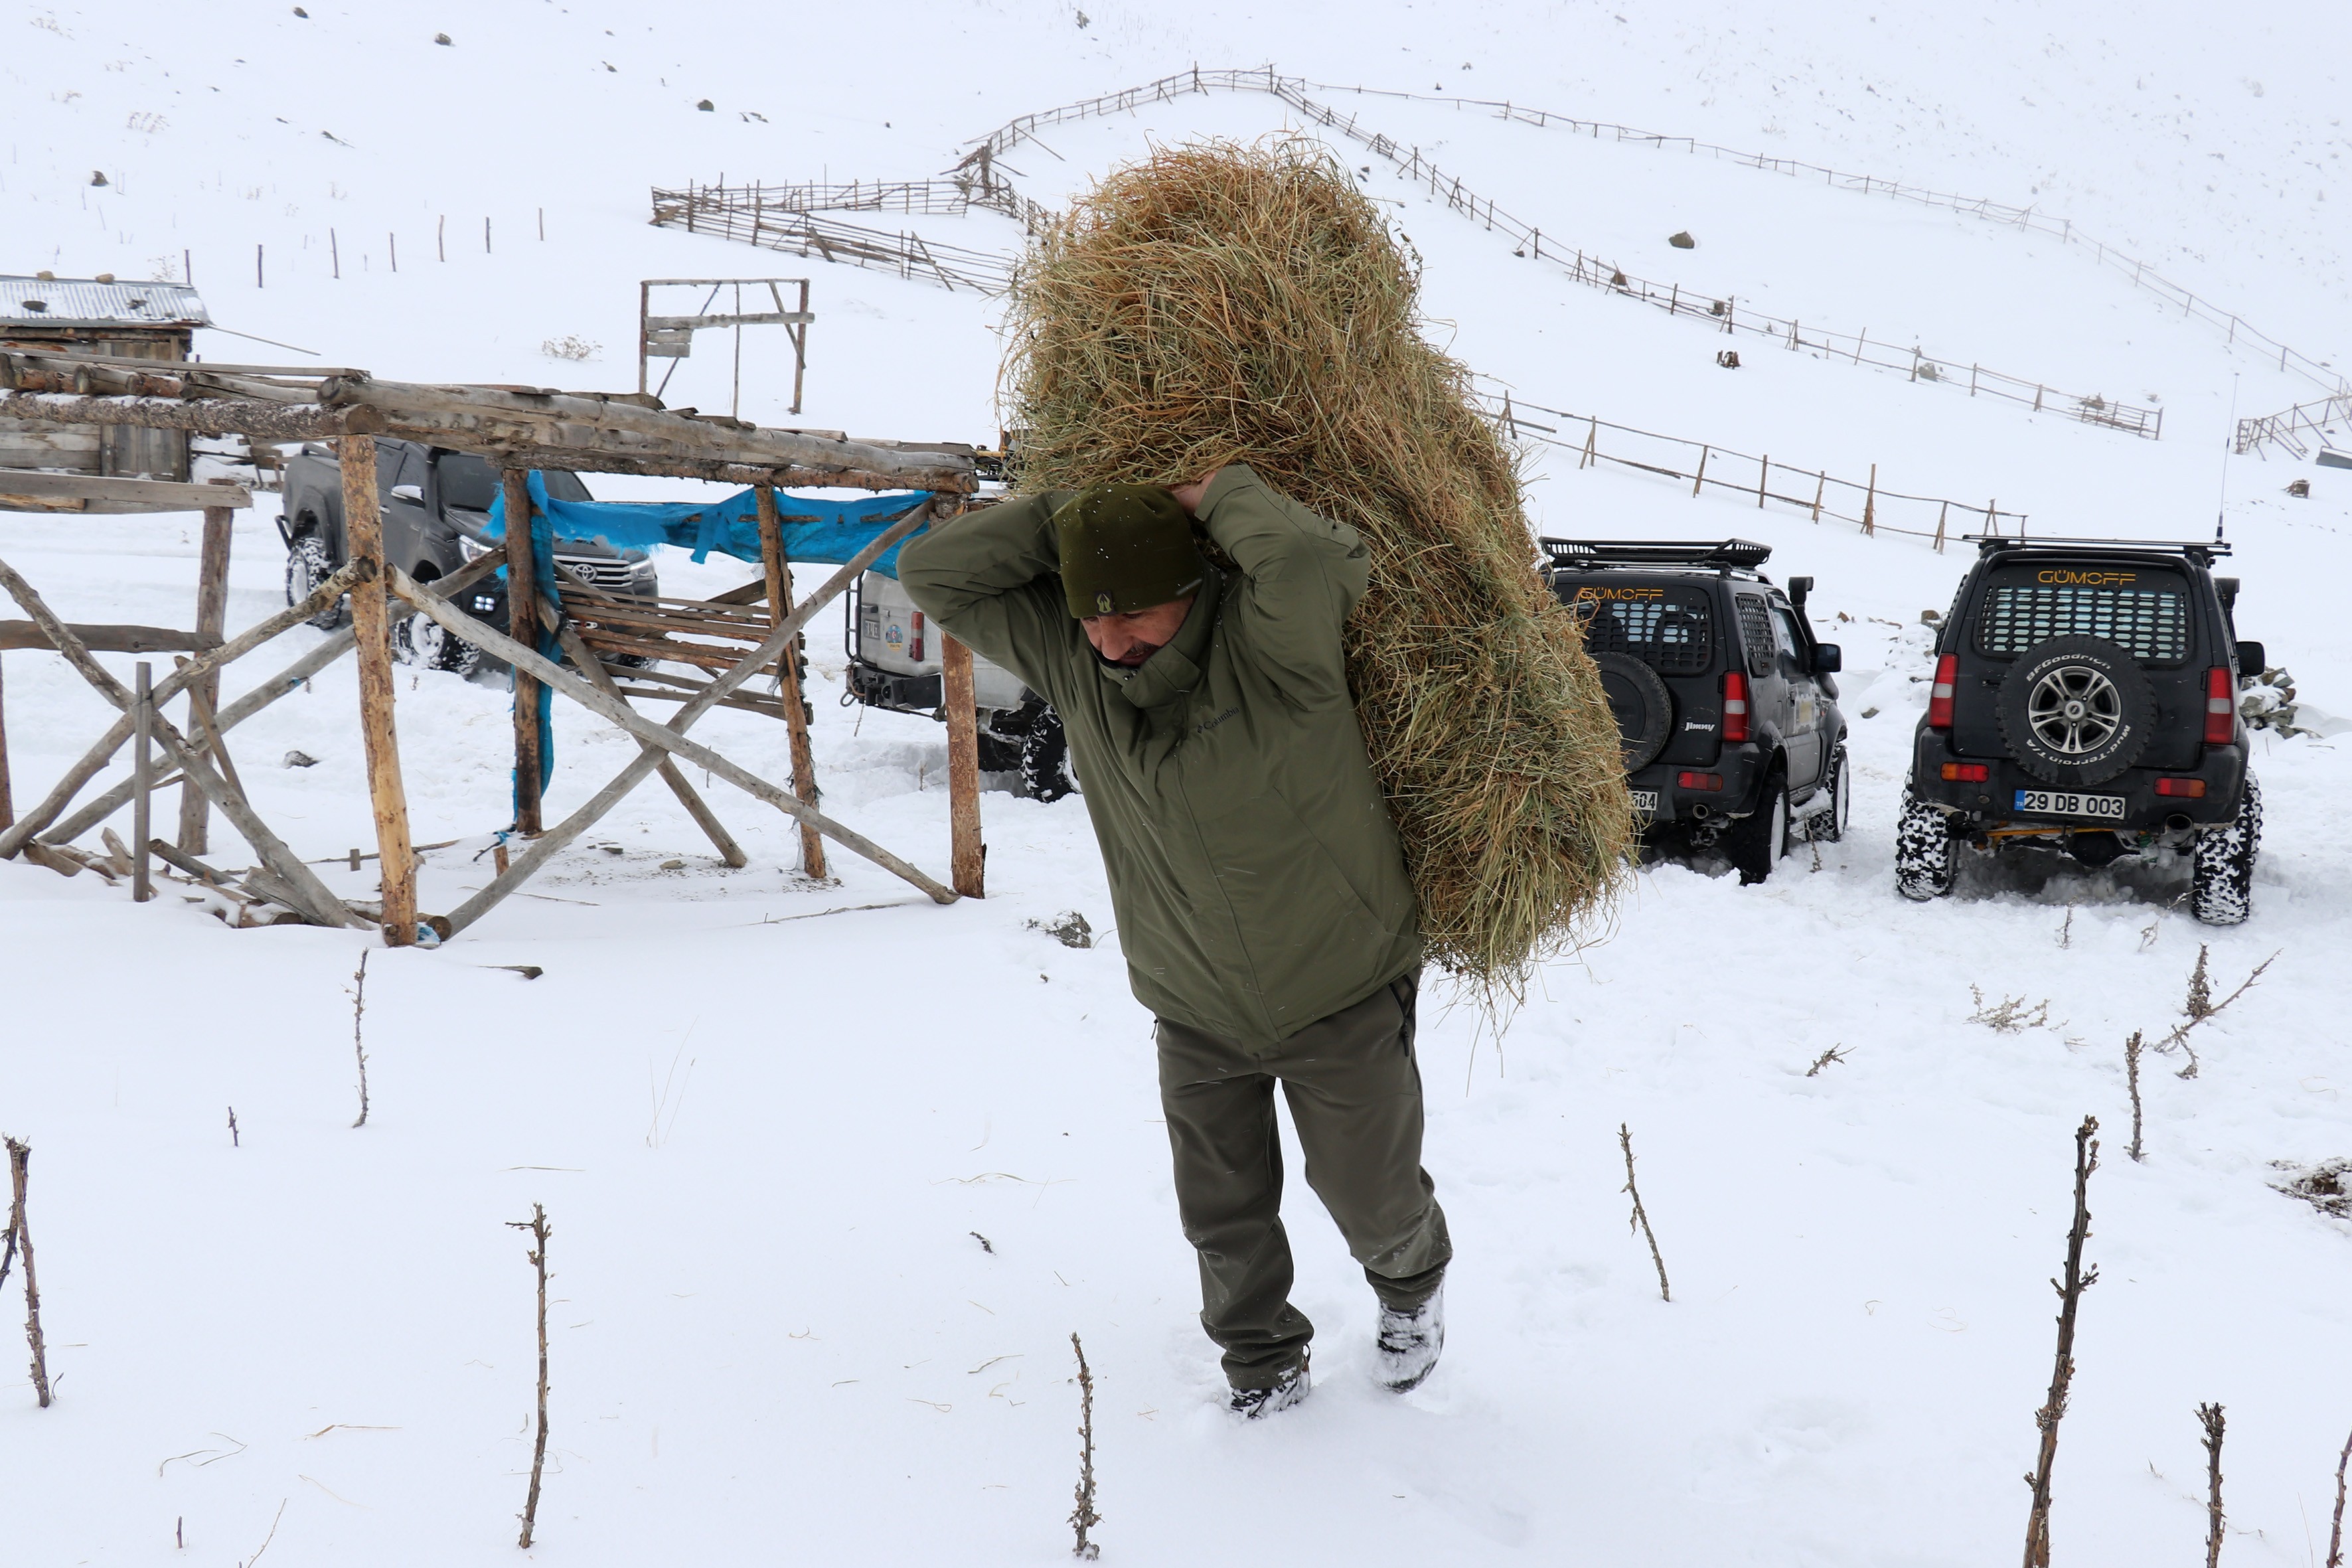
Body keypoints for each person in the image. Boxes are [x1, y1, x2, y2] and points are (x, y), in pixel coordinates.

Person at [898, 467, 1450, 1417]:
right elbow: (932, 572)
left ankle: (1411, 1290)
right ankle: (1261, 1363)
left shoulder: (1274, 644)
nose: (1112, 643)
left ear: (1192, 586)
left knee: (1375, 1198)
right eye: (1091, 617)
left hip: (1341, 981)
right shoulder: (1078, 662)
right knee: (1221, 1215)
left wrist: (1210, 493)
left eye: (1137, 614)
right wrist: (1077, 521)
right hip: (1193, 1004)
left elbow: (1317, 555)